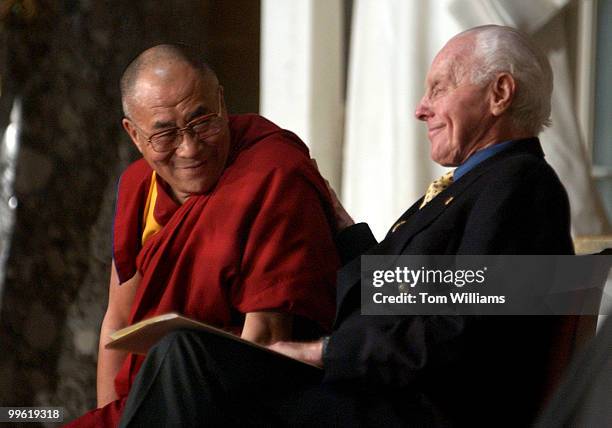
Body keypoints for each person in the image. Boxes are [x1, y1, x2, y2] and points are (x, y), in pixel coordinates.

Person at [118, 25, 575, 427]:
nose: (421, 108)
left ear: (500, 93)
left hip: (421, 410)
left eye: (439, 88)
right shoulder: (476, 184)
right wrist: (349, 233)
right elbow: (414, 291)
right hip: (381, 396)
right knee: (188, 362)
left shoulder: (521, 185)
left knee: (188, 359)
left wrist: (323, 351)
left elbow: (463, 326)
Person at [67, 44, 340, 426]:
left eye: (202, 122)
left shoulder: (273, 172)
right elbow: (117, 323)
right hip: (151, 397)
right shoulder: (138, 186)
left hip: (233, 402)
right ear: (133, 134)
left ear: (222, 103)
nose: (190, 148)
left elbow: (264, 343)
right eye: (165, 135)